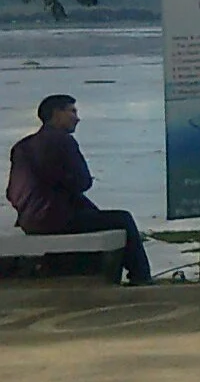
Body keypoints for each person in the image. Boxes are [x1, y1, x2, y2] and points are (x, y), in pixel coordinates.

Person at [7, 95, 152, 285]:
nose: (77, 118)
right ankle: (140, 276)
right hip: (56, 219)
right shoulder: (63, 141)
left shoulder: (21, 147)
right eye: (72, 112)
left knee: (93, 212)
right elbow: (82, 182)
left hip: (29, 222)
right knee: (123, 219)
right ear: (57, 114)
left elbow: (11, 193)